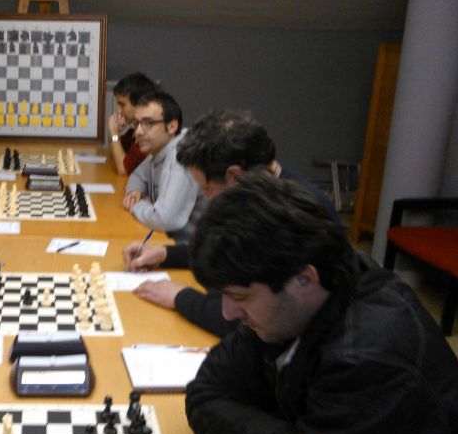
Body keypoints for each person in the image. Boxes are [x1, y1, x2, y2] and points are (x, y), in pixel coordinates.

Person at [184, 174, 458, 434]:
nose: (227, 312)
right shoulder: (285, 306)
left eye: (239, 297)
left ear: (304, 280)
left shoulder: (370, 359)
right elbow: (204, 393)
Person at [123, 110, 339, 336]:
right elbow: (226, 253)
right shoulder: (260, 194)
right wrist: (164, 254)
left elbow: (240, 320)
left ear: (234, 176)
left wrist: (180, 297)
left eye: (206, 188)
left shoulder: (289, 216)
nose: (206, 198)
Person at [122, 91, 204, 241]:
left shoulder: (181, 157)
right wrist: (135, 191)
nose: (138, 132)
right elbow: (138, 175)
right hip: (166, 239)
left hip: (190, 248)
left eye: (148, 123)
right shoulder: (159, 150)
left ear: (172, 126)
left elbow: (164, 219)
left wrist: (137, 205)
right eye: (136, 123)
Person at [108, 72, 157, 175]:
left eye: (122, 105)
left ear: (139, 103)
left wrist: (114, 132)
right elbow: (113, 154)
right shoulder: (134, 131)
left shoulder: (148, 133)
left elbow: (123, 169)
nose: (119, 110)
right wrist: (115, 134)